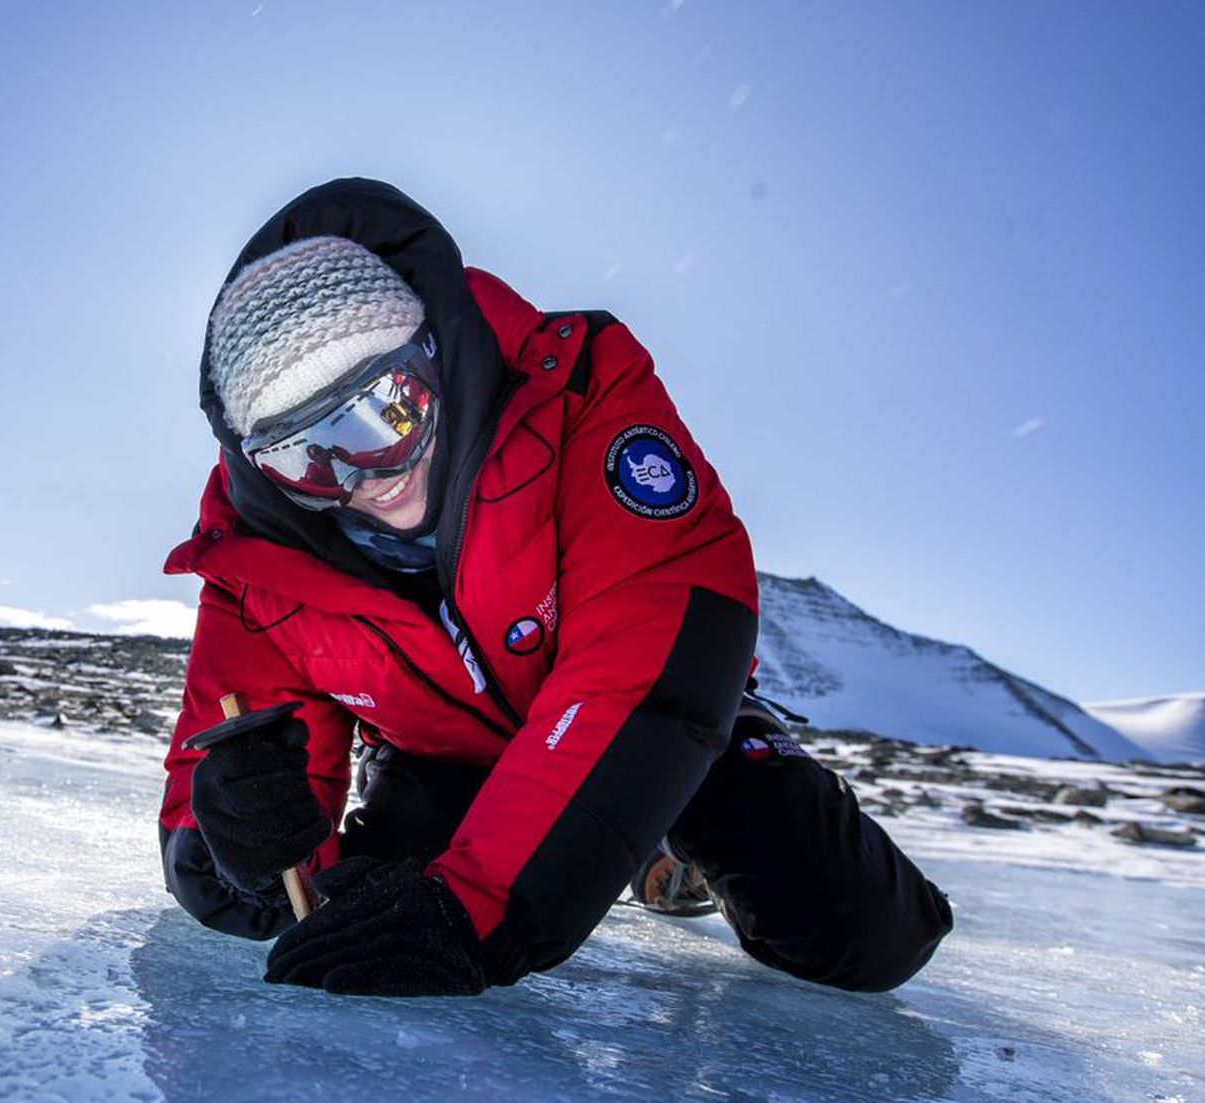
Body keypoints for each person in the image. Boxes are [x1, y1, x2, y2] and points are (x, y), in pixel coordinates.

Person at [154, 178, 954, 998]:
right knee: (361, 910)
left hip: (648, 723)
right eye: (305, 456)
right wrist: (240, 844)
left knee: (861, 935)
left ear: (434, 349)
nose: (363, 474)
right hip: (444, 758)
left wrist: (480, 914)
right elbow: (218, 832)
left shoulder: (577, 393)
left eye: (385, 412)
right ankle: (616, 844)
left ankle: (655, 835)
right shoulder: (257, 558)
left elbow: (648, 673)